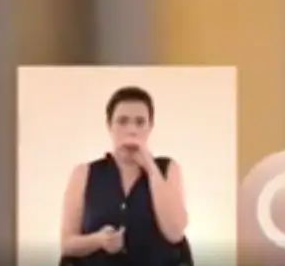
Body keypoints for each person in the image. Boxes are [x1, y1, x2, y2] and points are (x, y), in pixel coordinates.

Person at [60, 86, 191, 266]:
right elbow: (67, 244)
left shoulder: (167, 169)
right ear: (109, 126)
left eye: (140, 122)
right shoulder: (84, 173)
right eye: (122, 121)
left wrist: (150, 167)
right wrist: (98, 240)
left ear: (150, 127)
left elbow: (175, 232)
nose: (131, 130)